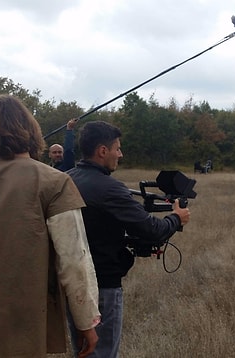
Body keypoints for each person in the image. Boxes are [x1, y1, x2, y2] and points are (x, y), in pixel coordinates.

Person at [0, 95, 100, 357]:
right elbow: (74, 261)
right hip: (16, 325)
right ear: (30, 129)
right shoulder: (53, 181)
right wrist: (86, 321)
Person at [66, 120, 191, 357]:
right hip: (102, 286)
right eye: (117, 148)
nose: (120, 154)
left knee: (83, 351)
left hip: (72, 284)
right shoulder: (109, 188)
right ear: (103, 151)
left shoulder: (67, 178)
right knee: (101, 352)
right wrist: (176, 218)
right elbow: (152, 230)